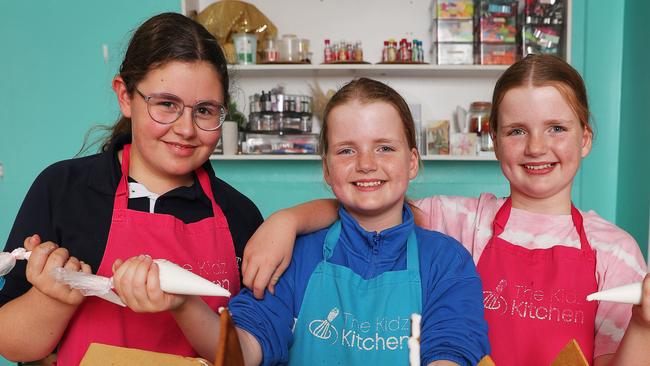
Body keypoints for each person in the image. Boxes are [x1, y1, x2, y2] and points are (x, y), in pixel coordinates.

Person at [241, 55, 650, 366]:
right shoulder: (462, 221)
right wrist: (287, 220)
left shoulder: (613, 251)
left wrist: (643, 325)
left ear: (585, 139)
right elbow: (369, 199)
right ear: (494, 139)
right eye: (516, 131)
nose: (536, 147)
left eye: (557, 128)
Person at [0, 13, 263, 365]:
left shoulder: (240, 215)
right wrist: (53, 297)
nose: (186, 128)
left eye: (204, 110)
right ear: (125, 96)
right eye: (166, 104)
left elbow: (247, 349)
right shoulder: (63, 190)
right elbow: (12, 345)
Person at [169, 78, 490, 365]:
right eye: (347, 150)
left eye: (385, 148)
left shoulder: (447, 262)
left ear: (412, 162)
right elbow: (244, 351)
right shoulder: (292, 256)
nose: (366, 163)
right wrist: (184, 303)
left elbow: (452, 351)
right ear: (326, 168)